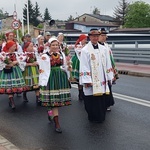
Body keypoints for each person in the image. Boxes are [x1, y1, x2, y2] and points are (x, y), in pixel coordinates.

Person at [79, 29, 113, 123]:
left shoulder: (104, 49)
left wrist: (110, 76)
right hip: (91, 79)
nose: (95, 38)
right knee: (91, 99)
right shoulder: (85, 50)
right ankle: (92, 116)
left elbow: (108, 63)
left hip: (102, 78)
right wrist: (87, 80)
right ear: (89, 37)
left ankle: (101, 116)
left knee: (101, 98)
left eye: (97, 36)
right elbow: (84, 65)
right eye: (93, 36)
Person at [38, 37, 71, 133]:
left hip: (60, 77)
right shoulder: (45, 56)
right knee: (52, 101)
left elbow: (64, 66)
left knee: (57, 101)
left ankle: (52, 114)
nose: (55, 47)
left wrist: (68, 68)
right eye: (53, 45)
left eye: (57, 45)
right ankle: (57, 123)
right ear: (49, 46)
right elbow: (42, 70)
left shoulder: (62, 55)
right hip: (50, 78)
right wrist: (43, 82)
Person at [0, 40, 27, 109]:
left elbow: (22, 59)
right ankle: (11, 101)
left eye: (15, 45)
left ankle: (11, 100)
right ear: (9, 47)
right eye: (13, 46)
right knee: (9, 87)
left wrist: (16, 62)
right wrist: (9, 64)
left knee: (15, 86)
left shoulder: (17, 54)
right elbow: (1, 63)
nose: (15, 47)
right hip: (8, 71)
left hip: (15, 71)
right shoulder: (3, 54)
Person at [98, 28, 119, 111]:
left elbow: (111, 58)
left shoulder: (107, 46)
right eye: (102, 35)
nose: (103, 37)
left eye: (105, 36)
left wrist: (114, 70)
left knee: (108, 87)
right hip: (99, 70)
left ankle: (107, 104)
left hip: (107, 69)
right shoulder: (95, 47)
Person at [71, 34, 87, 100]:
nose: (85, 41)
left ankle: (83, 93)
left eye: (86, 39)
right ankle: (80, 93)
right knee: (79, 79)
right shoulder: (78, 46)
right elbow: (81, 54)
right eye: (84, 39)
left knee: (84, 78)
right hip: (78, 62)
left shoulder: (85, 46)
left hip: (83, 62)